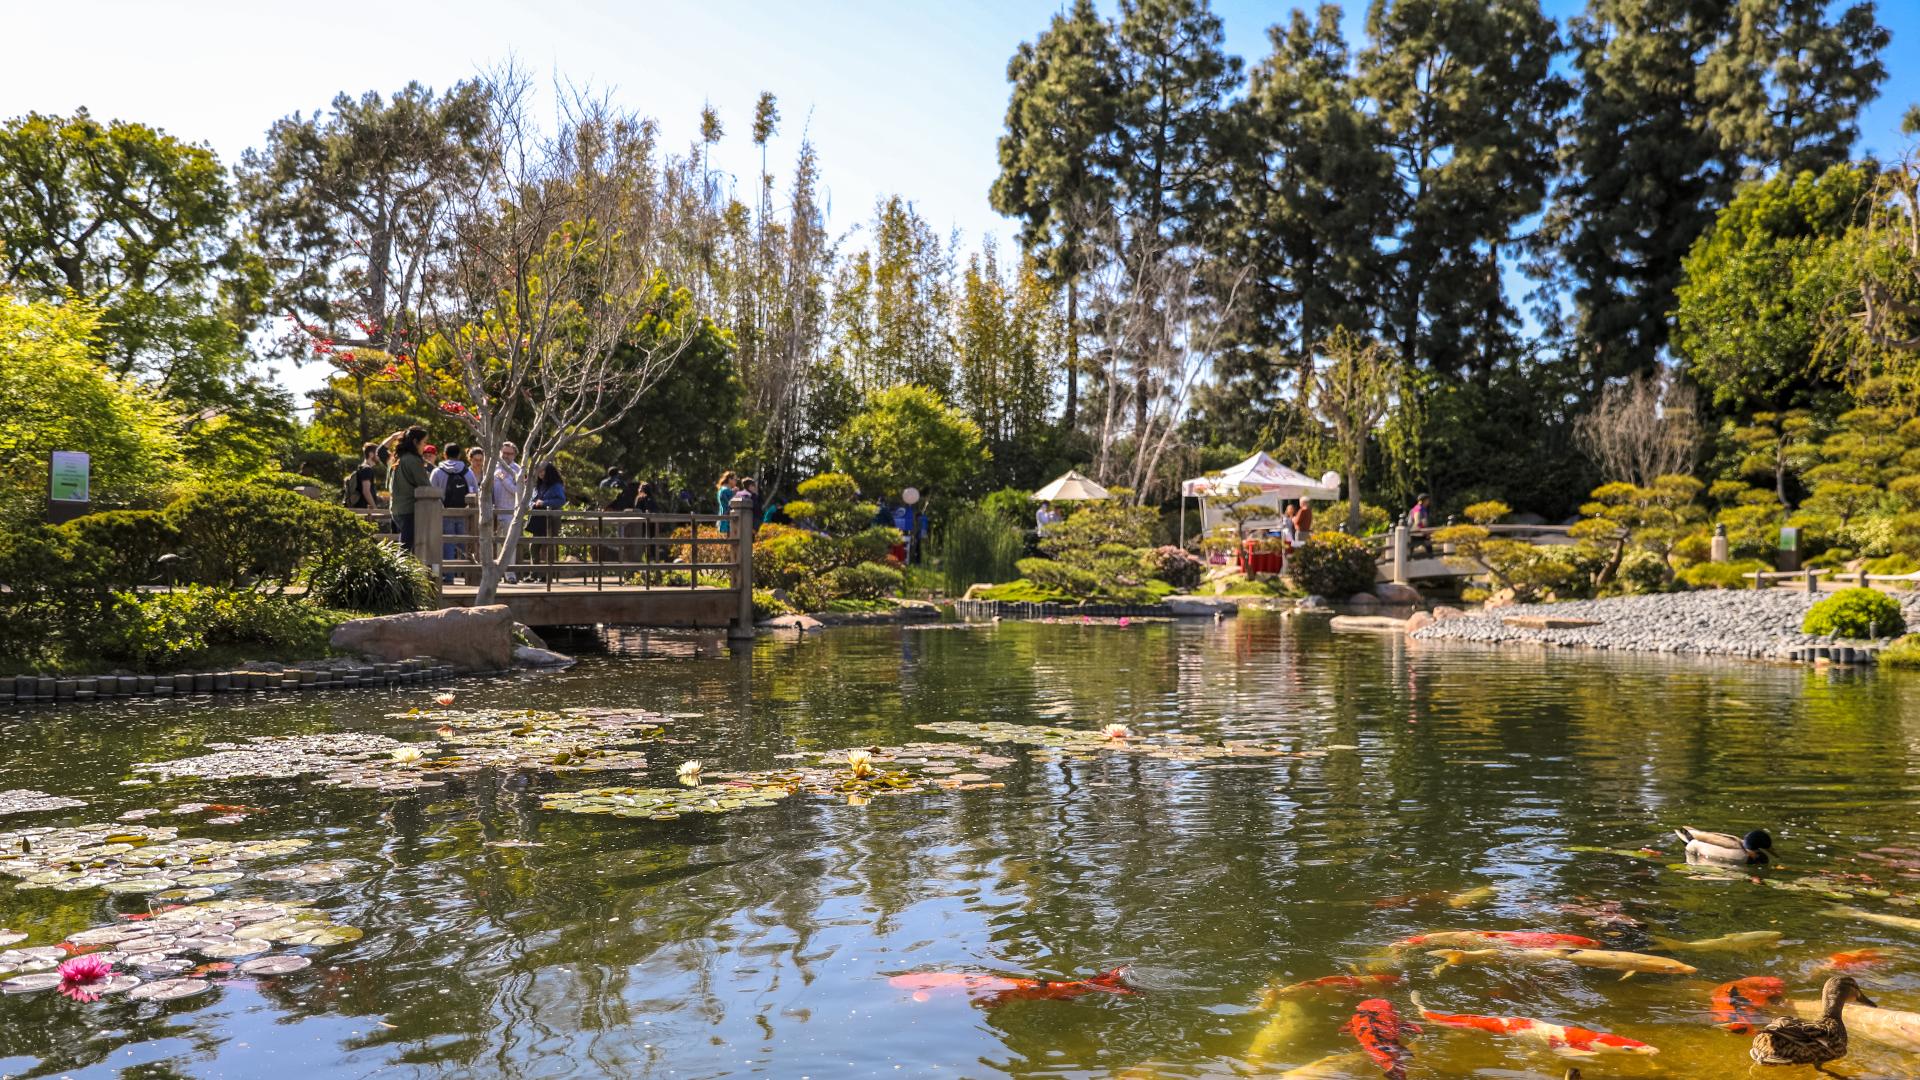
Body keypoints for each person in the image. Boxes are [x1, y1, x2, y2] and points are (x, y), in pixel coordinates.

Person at [430, 444, 477, 579]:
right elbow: (475, 493)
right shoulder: (468, 472)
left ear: (444, 454)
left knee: (446, 544)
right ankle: (470, 576)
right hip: (464, 513)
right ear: (459, 455)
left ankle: (447, 577)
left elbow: (432, 492)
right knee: (465, 543)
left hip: (443, 512)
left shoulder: (437, 472)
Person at [385, 427, 433, 553]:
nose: (425, 446)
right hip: (409, 509)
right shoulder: (413, 460)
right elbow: (425, 485)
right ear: (415, 442)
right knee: (405, 551)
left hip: (396, 508)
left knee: (405, 545)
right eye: (424, 442)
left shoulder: (398, 458)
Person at [491, 441, 524, 584]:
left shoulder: (518, 470)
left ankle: (509, 574)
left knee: (509, 545)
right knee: (494, 545)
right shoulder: (493, 468)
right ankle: (494, 574)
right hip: (493, 513)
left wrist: (504, 480)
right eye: (503, 453)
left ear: (515, 455)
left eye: (509, 453)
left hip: (510, 513)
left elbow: (518, 492)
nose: (505, 456)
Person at [344, 442, 382, 510]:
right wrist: (375, 508)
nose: (379, 456)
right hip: (363, 510)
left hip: (360, 509)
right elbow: (366, 491)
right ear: (371, 454)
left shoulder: (361, 468)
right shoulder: (367, 469)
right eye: (377, 454)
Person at [715, 470, 737, 535]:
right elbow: (732, 505)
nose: (736, 482)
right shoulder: (726, 491)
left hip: (722, 520)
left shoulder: (722, 489)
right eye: (735, 480)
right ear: (730, 479)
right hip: (727, 522)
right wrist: (735, 494)